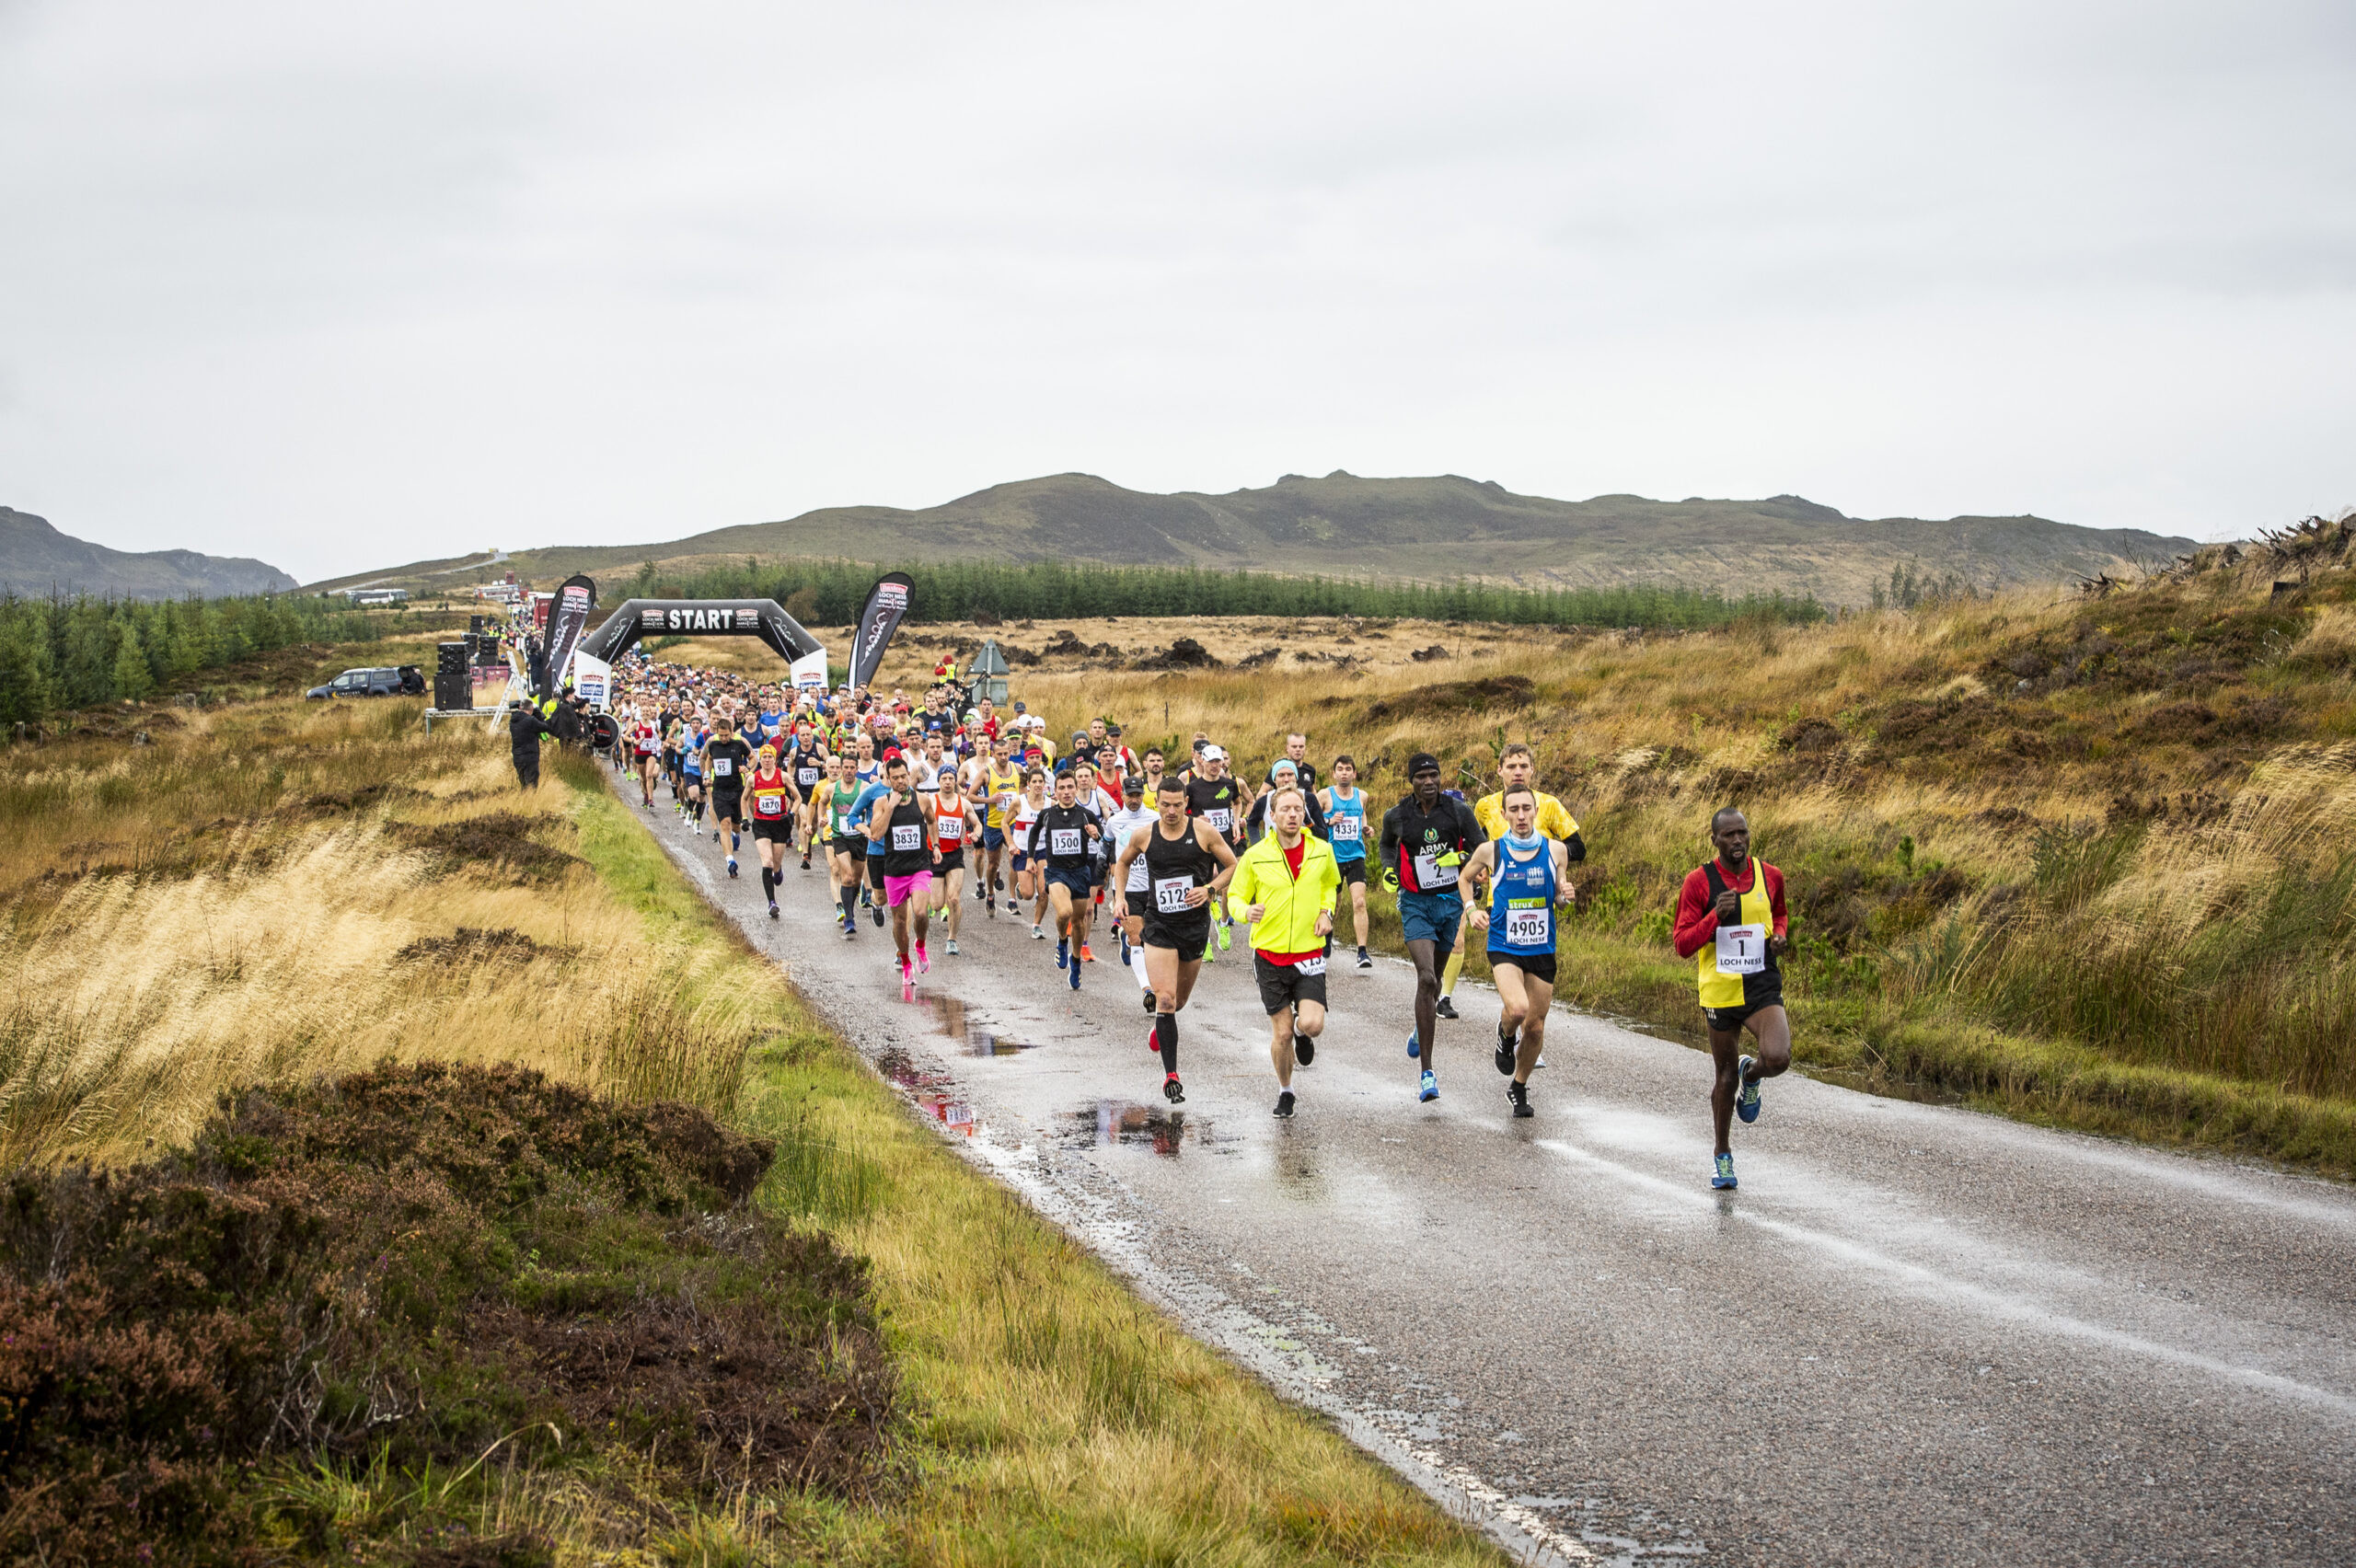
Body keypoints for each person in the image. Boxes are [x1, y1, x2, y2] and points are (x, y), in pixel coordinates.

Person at [1672, 808, 1792, 1191]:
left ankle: (1751, 1074)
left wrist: (1780, 936)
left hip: (1760, 983)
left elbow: (1779, 913)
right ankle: (1722, 1155)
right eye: (1729, 835)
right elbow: (1682, 944)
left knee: (1778, 1058)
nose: (1738, 840)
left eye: (1743, 833)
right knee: (1724, 1078)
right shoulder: (1698, 882)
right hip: (1720, 989)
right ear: (1715, 840)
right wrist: (1713, 918)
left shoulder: (1770, 875)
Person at [1110, 776, 1239, 1105]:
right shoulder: (1144, 834)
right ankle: (1171, 1076)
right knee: (1164, 1000)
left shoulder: (1204, 832)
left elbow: (1232, 865)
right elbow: (1122, 863)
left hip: (1194, 926)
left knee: (1178, 1003)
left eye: (1177, 805)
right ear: (1156, 803)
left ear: (1186, 803)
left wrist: (1210, 889)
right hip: (1160, 925)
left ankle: (1161, 1027)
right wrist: (1120, 897)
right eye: (1165, 805)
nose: (1171, 811)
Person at [1441, 743, 1587, 1020]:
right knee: (1513, 990)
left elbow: (1578, 847)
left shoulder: (1549, 804)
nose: (1517, 772)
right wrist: (1481, 865)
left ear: (1532, 770)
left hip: (1540, 903)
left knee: (1534, 1007)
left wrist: (1544, 858)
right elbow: (1472, 844)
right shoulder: (1486, 806)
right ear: (1500, 771)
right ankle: (1456, 1000)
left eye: (1523, 766)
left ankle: (1521, 1027)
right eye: (1511, 766)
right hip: (1500, 903)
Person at [1459, 784, 1576, 1118]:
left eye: (1527, 808)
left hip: (1541, 947)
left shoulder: (1556, 851)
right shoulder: (1490, 850)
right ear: (1504, 814)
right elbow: (1464, 879)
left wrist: (1565, 896)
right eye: (1514, 810)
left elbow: (1559, 898)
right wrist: (1471, 910)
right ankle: (1505, 1033)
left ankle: (1519, 1086)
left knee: (1535, 1027)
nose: (1521, 816)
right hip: (1504, 944)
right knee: (1519, 1009)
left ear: (1536, 811)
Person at [1378, 753, 1485, 1103]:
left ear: (1440, 778)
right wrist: (1389, 869)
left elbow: (1481, 848)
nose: (1428, 782)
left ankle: (1419, 1027)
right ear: (1411, 781)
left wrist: (1463, 861)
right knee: (1425, 978)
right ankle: (1427, 1073)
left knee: (1435, 981)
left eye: (1433, 775)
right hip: (1415, 903)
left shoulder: (1458, 812)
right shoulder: (1397, 815)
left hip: (1450, 902)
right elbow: (1385, 844)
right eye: (1421, 776)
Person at [1230, 785, 1342, 1120]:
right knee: (1280, 1033)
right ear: (1272, 815)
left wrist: (1326, 912)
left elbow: (1330, 885)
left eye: (1297, 809)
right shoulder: (1255, 856)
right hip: (1269, 955)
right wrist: (1245, 911)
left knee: (1313, 1024)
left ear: (1304, 814)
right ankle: (1286, 1090)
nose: (1292, 815)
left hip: (1308, 952)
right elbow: (1235, 897)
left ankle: (1301, 1031)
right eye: (1286, 810)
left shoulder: (1321, 850)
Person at [865, 755, 937, 999]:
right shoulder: (881, 803)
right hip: (894, 870)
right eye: (895, 778)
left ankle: (921, 945)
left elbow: (932, 821)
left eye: (903, 776)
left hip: (919, 867)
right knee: (899, 922)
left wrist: (936, 845)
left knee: (920, 913)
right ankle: (906, 962)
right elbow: (876, 834)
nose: (900, 781)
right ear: (888, 779)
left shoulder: (922, 799)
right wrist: (891, 807)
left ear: (909, 775)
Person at [1026, 771, 1103, 991]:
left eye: (1070, 787)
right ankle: (1061, 940)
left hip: (1080, 872)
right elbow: (1034, 833)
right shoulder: (1048, 814)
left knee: (1078, 922)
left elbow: (1102, 834)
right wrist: (1030, 858)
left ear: (1076, 789)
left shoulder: (1086, 815)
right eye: (1062, 788)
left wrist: (1096, 834)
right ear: (1055, 791)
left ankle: (1075, 961)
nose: (1067, 792)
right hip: (1056, 872)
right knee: (1065, 912)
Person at [1184, 744, 1247, 959]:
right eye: (1211, 761)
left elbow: (1237, 802)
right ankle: (1205, 940)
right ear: (1202, 761)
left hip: (1225, 841)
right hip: (1202, 843)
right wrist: (1195, 819)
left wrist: (1236, 822)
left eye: (1218, 761)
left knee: (1228, 884)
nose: (1214, 766)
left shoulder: (1229, 784)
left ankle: (1223, 923)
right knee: (1202, 886)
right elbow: (1183, 813)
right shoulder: (1192, 788)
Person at [1102, 775, 1161, 1003]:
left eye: (1138, 795)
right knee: (1137, 940)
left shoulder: (1155, 819)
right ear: (1123, 796)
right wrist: (1103, 863)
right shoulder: (1115, 821)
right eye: (1130, 795)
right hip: (1128, 889)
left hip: (1154, 887)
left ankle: (1125, 938)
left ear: (1143, 795)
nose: (1134, 800)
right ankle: (1147, 990)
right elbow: (1107, 842)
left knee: (1152, 941)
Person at [1319, 754, 1375, 968]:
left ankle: (1362, 952)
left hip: (1356, 856)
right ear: (1334, 774)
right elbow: (1312, 820)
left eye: (1348, 769)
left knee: (1359, 902)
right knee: (1333, 902)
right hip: (1332, 858)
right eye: (1340, 769)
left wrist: (1366, 828)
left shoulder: (1362, 795)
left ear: (1354, 773)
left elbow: (1362, 815)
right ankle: (1327, 933)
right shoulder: (1325, 795)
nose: (1344, 773)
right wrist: (1329, 821)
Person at [927, 767, 984, 951]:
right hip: (934, 854)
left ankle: (952, 939)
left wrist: (976, 834)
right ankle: (930, 901)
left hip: (954, 855)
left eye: (951, 778)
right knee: (936, 904)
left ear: (955, 781)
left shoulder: (964, 803)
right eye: (944, 778)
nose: (947, 782)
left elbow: (977, 823)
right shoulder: (931, 802)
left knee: (953, 899)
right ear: (938, 781)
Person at [745, 744, 794, 917]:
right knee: (767, 862)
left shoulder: (783, 776)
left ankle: (778, 871)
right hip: (761, 824)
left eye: (770, 757)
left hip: (779, 824)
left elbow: (797, 797)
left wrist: (791, 813)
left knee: (776, 865)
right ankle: (772, 903)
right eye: (764, 757)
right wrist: (744, 818)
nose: (766, 760)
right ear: (760, 760)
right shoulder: (753, 779)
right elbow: (744, 799)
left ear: (774, 760)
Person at [703, 716, 753, 879]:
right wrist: (706, 774)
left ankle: (736, 835)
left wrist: (747, 768)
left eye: (726, 735)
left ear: (731, 732)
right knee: (724, 824)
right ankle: (730, 861)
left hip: (737, 790)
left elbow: (753, 757)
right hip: (719, 791)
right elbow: (709, 759)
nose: (724, 738)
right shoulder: (713, 745)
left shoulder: (739, 744)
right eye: (721, 735)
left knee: (735, 825)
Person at [823, 755, 867, 939]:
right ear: (841, 768)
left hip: (859, 837)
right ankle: (849, 919)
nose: (848, 771)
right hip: (840, 837)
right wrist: (823, 817)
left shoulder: (863, 788)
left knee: (856, 880)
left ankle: (849, 908)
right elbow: (821, 802)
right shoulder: (832, 788)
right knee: (846, 877)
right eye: (846, 767)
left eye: (852, 767)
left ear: (857, 769)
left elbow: (874, 805)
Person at [1009, 768, 1049, 934]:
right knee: (1027, 894)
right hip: (1023, 851)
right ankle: (1021, 887)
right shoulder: (1019, 802)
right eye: (1034, 782)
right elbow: (1004, 823)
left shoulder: (1051, 804)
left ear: (1045, 784)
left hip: (1042, 851)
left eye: (1041, 781)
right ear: (1028, 784)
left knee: (1044, 890)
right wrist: (1011, 843)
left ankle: (1036, 925)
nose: (1038, 785)